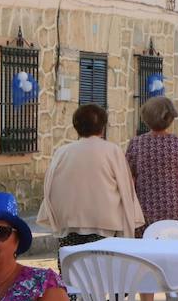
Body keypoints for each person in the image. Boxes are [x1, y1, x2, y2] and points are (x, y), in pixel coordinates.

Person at [38, 103, 145, 269]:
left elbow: (50, 185)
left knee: (71, 274)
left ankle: (70, 295)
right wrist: (130, 218)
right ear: (102, 127)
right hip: (105, 224)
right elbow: (126, 187)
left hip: (70, 223)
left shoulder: (63, 151)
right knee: (103, 275)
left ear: (76, 127)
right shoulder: (112, 150)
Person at [125, 96, 178, 233]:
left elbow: (129, 179)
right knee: (174, 248)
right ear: (170, 118)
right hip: (174, 206)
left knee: (147, 248)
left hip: (144, 208)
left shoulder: (136, 143)